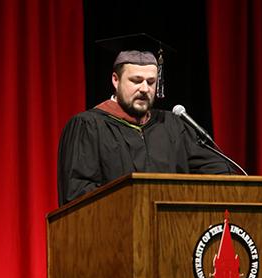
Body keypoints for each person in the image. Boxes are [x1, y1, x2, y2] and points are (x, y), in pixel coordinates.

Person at [57, 34, 235, 206]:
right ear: (115, 80)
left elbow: (218, 170)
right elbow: (77, 193)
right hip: (116, 231)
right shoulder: (89, 126)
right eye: (136, 80)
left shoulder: (173, 126)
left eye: (151, 82)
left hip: (172, 231)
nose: (144, 89)